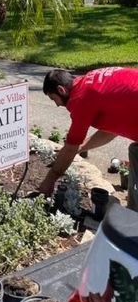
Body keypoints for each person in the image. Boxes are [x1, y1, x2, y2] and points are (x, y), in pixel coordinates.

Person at [38, 67, 138, 210]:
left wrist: (49, 180)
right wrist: (81, 148)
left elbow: (71, 146)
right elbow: (111, 130)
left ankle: (133, 221)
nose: (57, 104)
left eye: (54, 99)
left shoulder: (80, 99)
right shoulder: (89, 81)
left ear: (61, 90)